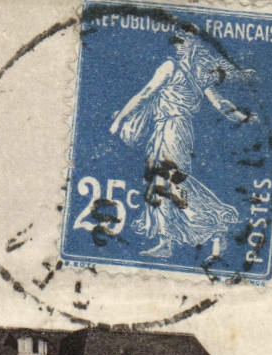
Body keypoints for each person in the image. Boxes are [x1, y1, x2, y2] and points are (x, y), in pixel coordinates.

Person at [109, 32, 254, 260]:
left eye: (182, 42)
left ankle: (216, 228)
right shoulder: (199, 75)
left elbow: (145, 94)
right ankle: (167, 241)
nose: (177, 46)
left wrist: (119, 120)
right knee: (161, 182)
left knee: (171, 181)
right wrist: (243, 117)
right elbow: (221, 105)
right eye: (176, 42)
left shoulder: (171, 67)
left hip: (172, 129)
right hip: (173, 130)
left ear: (194, 45)